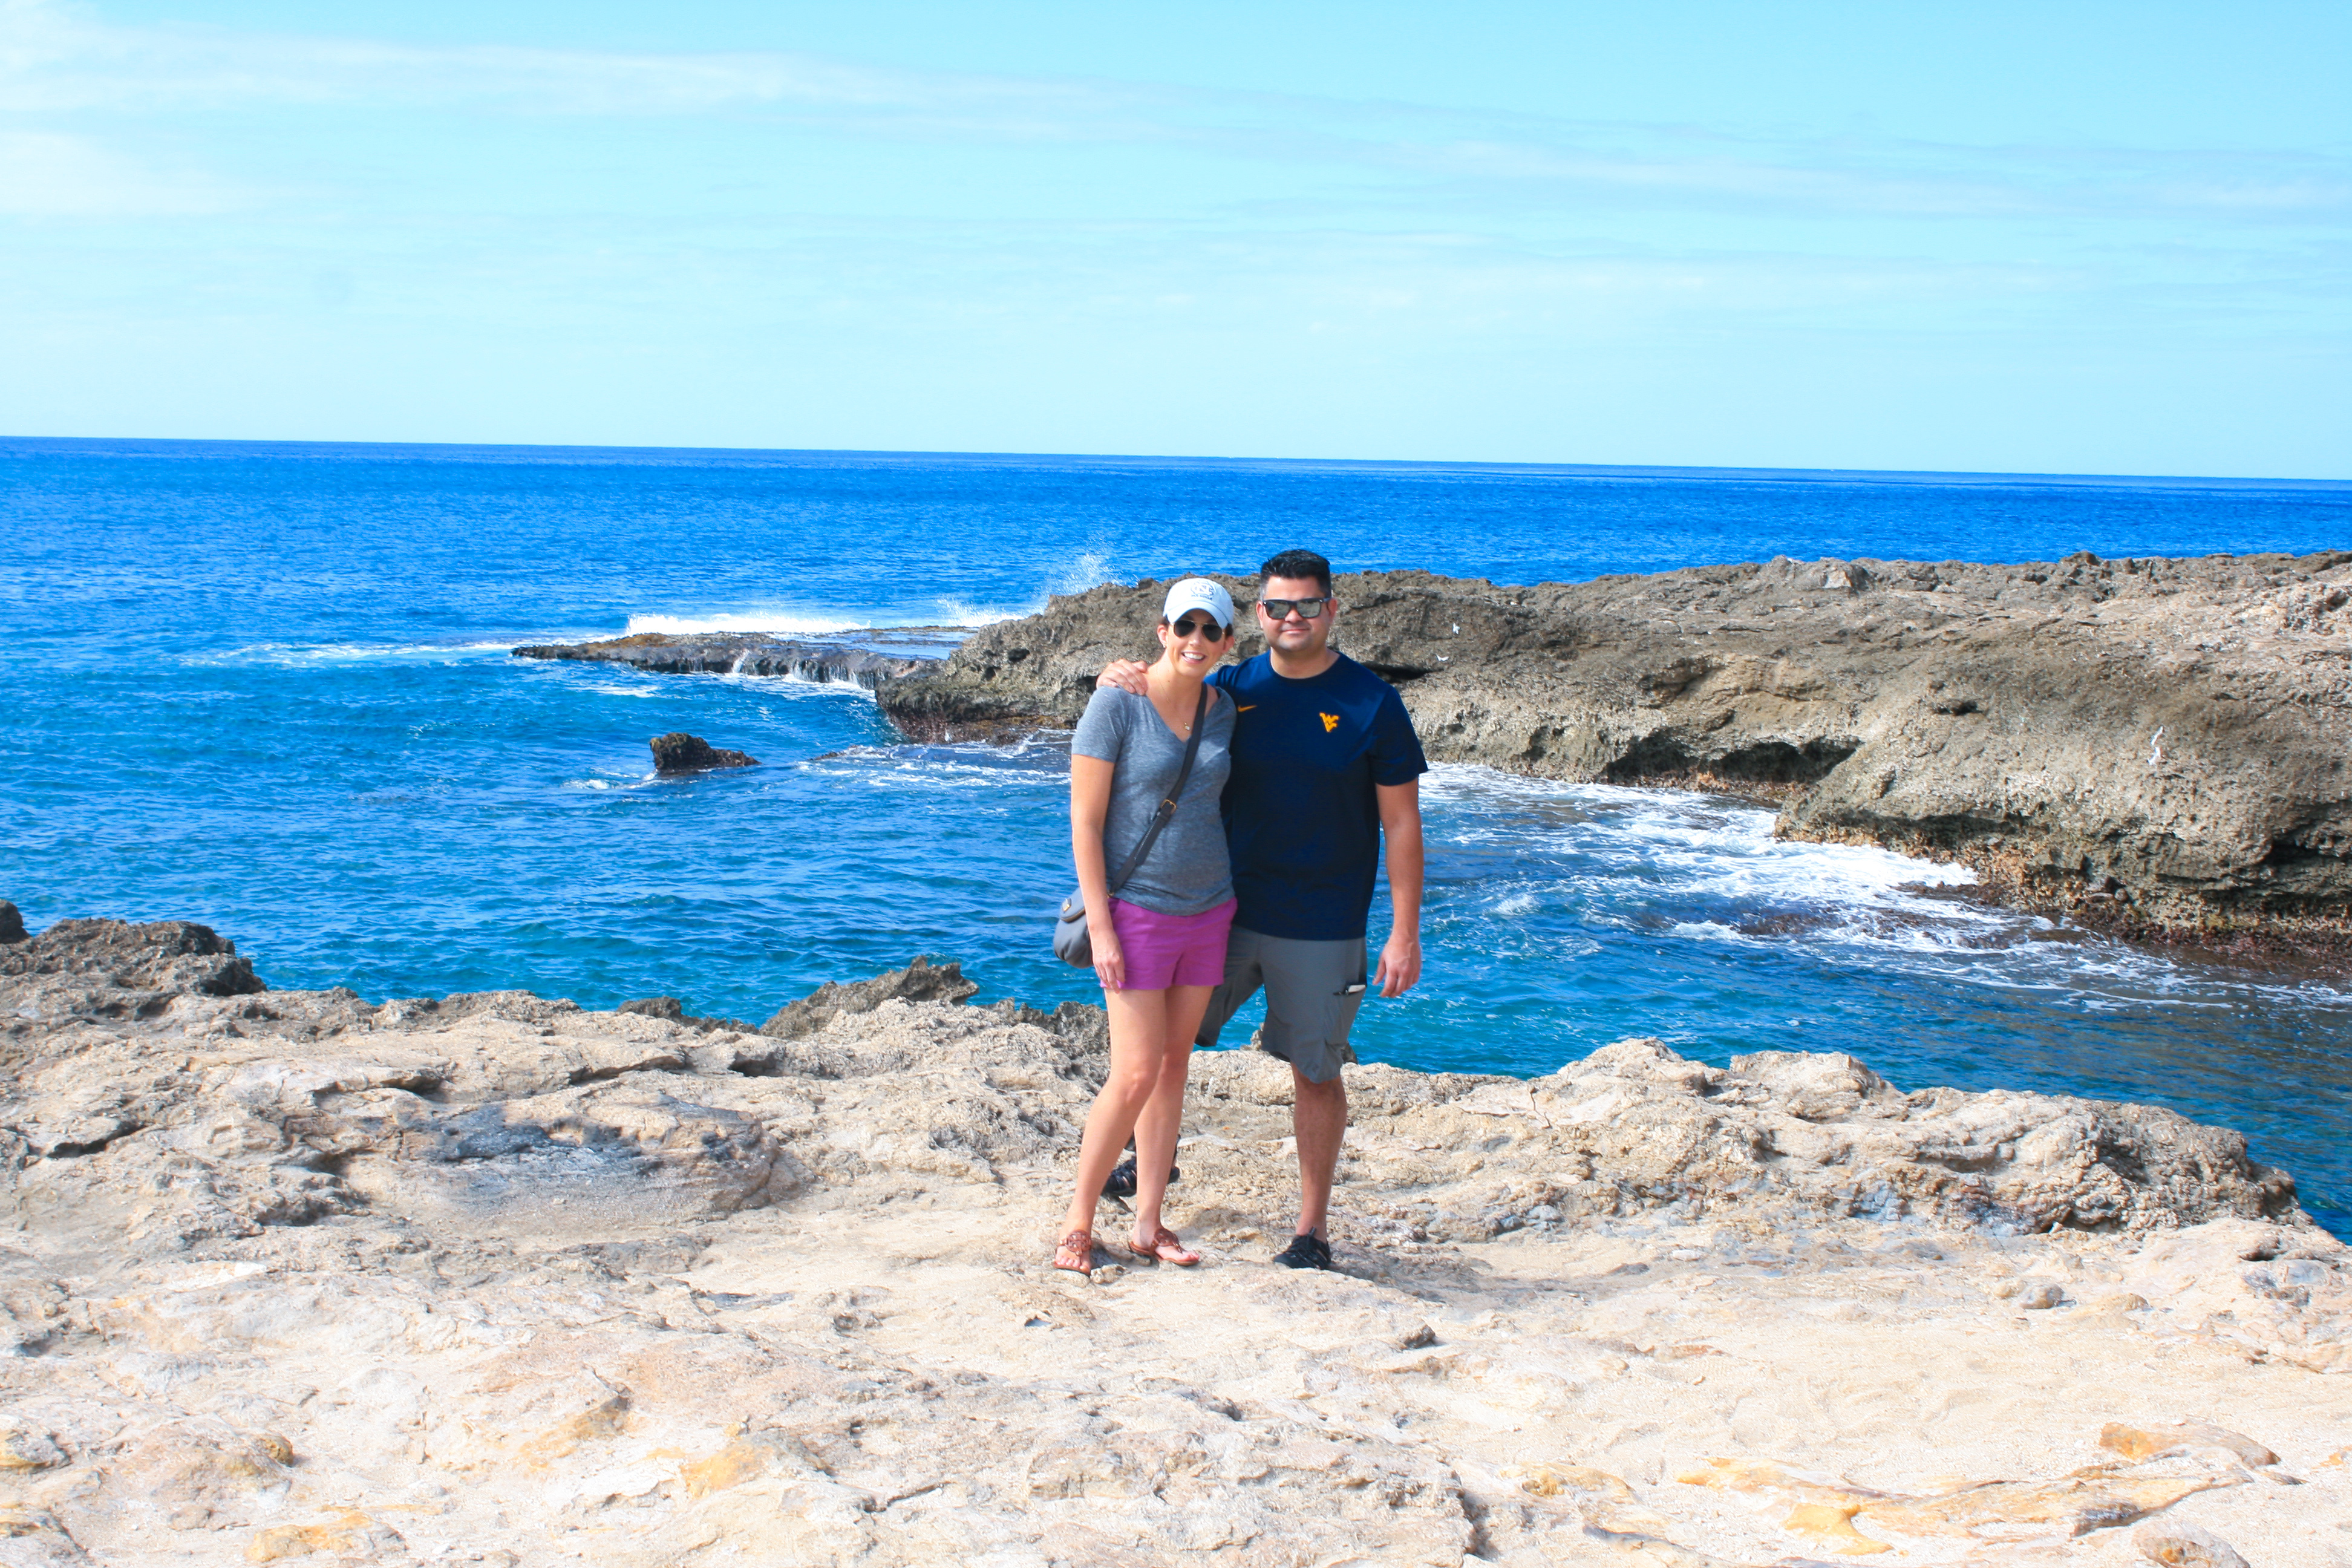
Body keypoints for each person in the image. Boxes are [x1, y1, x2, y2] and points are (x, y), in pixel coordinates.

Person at [1101, 549, 1426, 1271]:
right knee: (1161, 1052)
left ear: (1331, 609)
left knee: (1315, 1070)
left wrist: (1405, 932)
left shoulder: (1373, 702)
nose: (1291, 618)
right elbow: (1151, 706)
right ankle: (1151, 1171)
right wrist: (1114, 677)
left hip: (1322, 918)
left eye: (1307, 605)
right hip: (1219, 908)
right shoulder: (1227, 688)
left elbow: (1402, 826)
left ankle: (1311, 1232)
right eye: (1277, 607)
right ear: (1257, 616)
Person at [1055, 578, 1241, 1275]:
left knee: (1172, 1068)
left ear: (1228, 642)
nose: (1196, 641)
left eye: (1211, 630)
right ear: (1162, 631)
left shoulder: (1224, 707)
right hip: (1136, 911)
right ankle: (1077, 1223)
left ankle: (1148, 1223)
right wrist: (1101, 927)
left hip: (1210, 909)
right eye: (1183, 627)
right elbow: (1085, 820)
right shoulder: (1116, 702)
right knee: (1133, 1072)